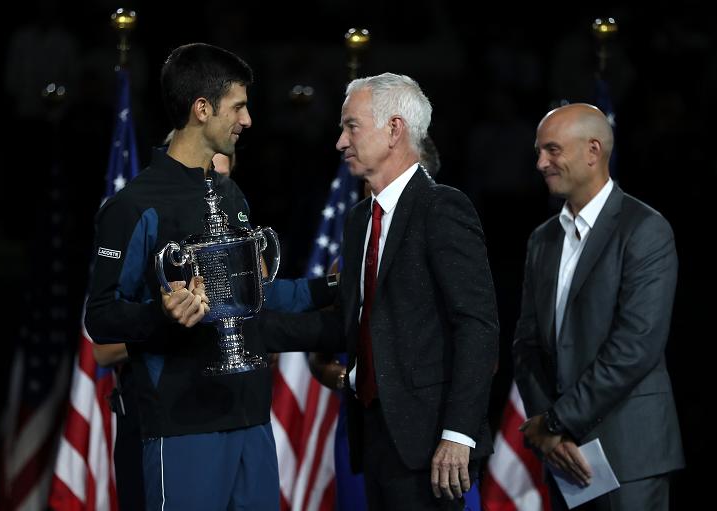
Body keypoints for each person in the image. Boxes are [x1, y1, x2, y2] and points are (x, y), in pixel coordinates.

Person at [85, 43, 332, 511]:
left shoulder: (231, 193)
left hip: (252, 420)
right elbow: (101, 317)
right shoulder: (134, 206)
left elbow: (251, 295)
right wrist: (163, 316)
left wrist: (332, 289)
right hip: (182, 427)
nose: (248, 120)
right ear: (202, 109)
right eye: (238, 106)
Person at [261, 72, 499, 510]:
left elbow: (477, 327)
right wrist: (252, 330)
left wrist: (458, 434)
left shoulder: (441, 207)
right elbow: (346, 323)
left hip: (431, 446)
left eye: (351, 126)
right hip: (374, 436)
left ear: (394, 129)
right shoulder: (359, 220)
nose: (340, 141)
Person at [513, 103, 684, 510]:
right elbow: (526, 343)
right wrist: (546, 429)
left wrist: (556, 422)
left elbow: (635, 347)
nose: (540, 163)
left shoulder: (645, 229)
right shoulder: (542, 239)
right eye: (539, 151)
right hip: (562, 456)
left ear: (593, 151)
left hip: (628, 454)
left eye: (552, 150)